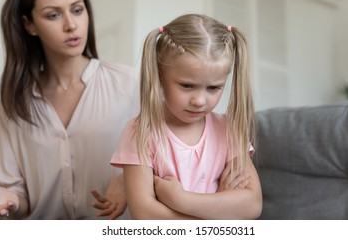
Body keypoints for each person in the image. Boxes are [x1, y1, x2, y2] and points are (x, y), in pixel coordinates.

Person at [0, 0, 138, 220]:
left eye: (77, 10)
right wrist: (7, 198)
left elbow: (168, 162)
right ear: (29, 25)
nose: (71, 25)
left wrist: (128, 178)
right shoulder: (15, 102)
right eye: (53, 15)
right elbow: (17, 195)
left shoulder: (131, 84)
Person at [111, 14, 262, 219]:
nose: (199, 100)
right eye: (187, 86)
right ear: (160, 76)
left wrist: (180, 199)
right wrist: (221, 208)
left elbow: (252, 205)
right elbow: (145, 216)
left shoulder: (228, 130)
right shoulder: (140, 131)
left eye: (213, 88)